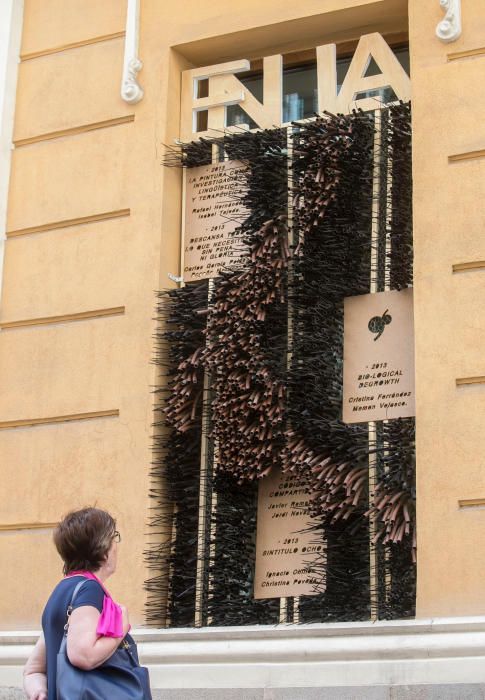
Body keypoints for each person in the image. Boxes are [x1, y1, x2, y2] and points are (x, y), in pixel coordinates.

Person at [23, 507, 132, 700]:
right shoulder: (89, 590)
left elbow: (33, 670)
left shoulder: (62, 590)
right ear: (104, 550)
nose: (117, 545)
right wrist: (120, 629)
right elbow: (83, 656)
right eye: (114, 537)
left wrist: (39, 691)